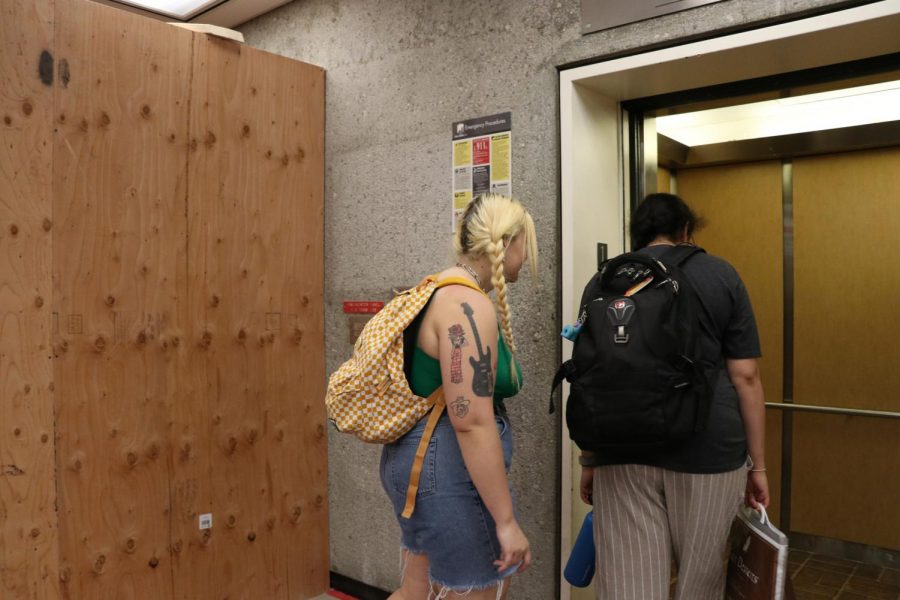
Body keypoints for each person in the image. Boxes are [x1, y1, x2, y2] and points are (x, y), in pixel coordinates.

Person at [579, 193, 769, 600]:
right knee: (699, 582)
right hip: (708, 451)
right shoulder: (720, 274)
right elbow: (746, 376)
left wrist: (590, 459)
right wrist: (759, 466)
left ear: (637, 235)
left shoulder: (604, 281)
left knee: (631, 584)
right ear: (686, 232)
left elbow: (592, 374)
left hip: (621, 449)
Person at [382, 193, 538, 600]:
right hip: (446, 470)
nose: (528, 255)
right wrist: (506, 522)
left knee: (416, 589)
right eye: (527, 244)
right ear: (508, 242)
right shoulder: (467, 304)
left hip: (417, 462)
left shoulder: (435, 290)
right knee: (473, 593)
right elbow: (470, 420)